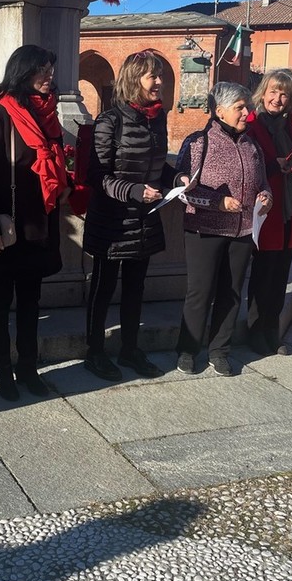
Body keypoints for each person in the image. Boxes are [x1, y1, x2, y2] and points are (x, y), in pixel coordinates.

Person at [0, 45, 70, 402]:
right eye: (43, 69)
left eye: (51, 70)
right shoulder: (0, 116)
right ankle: (2, 370)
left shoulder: (49, 117)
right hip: (8, 227)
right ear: (23, 72)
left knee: (31, 301)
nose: (50, 77)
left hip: (39, 226)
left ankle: (28, 366)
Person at [82, 50, 183, 382]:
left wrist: (174, 178)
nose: (159, 82)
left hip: (145, 218)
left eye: (161, 76)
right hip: (112, 221)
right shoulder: (109, 121)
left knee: (136, 288)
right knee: (103, 288)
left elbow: (154, 165)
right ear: (133, 79)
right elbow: (97, 176)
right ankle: (94, 353)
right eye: (152, 76)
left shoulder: (158, 118)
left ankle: (130, 349)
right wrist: (135, 191)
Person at [175, 81, 272, 378]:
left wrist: (266, 196)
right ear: (220, 111)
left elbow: (263, 182)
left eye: (248, 107)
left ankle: (220, 350)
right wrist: (217, 202)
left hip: (243, 231)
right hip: (204, 230)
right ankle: (188, 349)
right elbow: (182, 189)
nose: (247, 113)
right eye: (240, 108)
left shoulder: (253, 144)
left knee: (230, 293)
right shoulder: (198, 142)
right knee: (200, 293)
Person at [246, 69, 292, 357]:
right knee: (262, 275)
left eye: (284, 94)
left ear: (291, 99)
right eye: (273, 92)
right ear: (263, 93)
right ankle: (254, 331)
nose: (278, 99)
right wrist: (271, 167)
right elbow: (245, 161)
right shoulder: (251, 123)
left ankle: (271, 331)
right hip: (267, 211)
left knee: (280, 276)